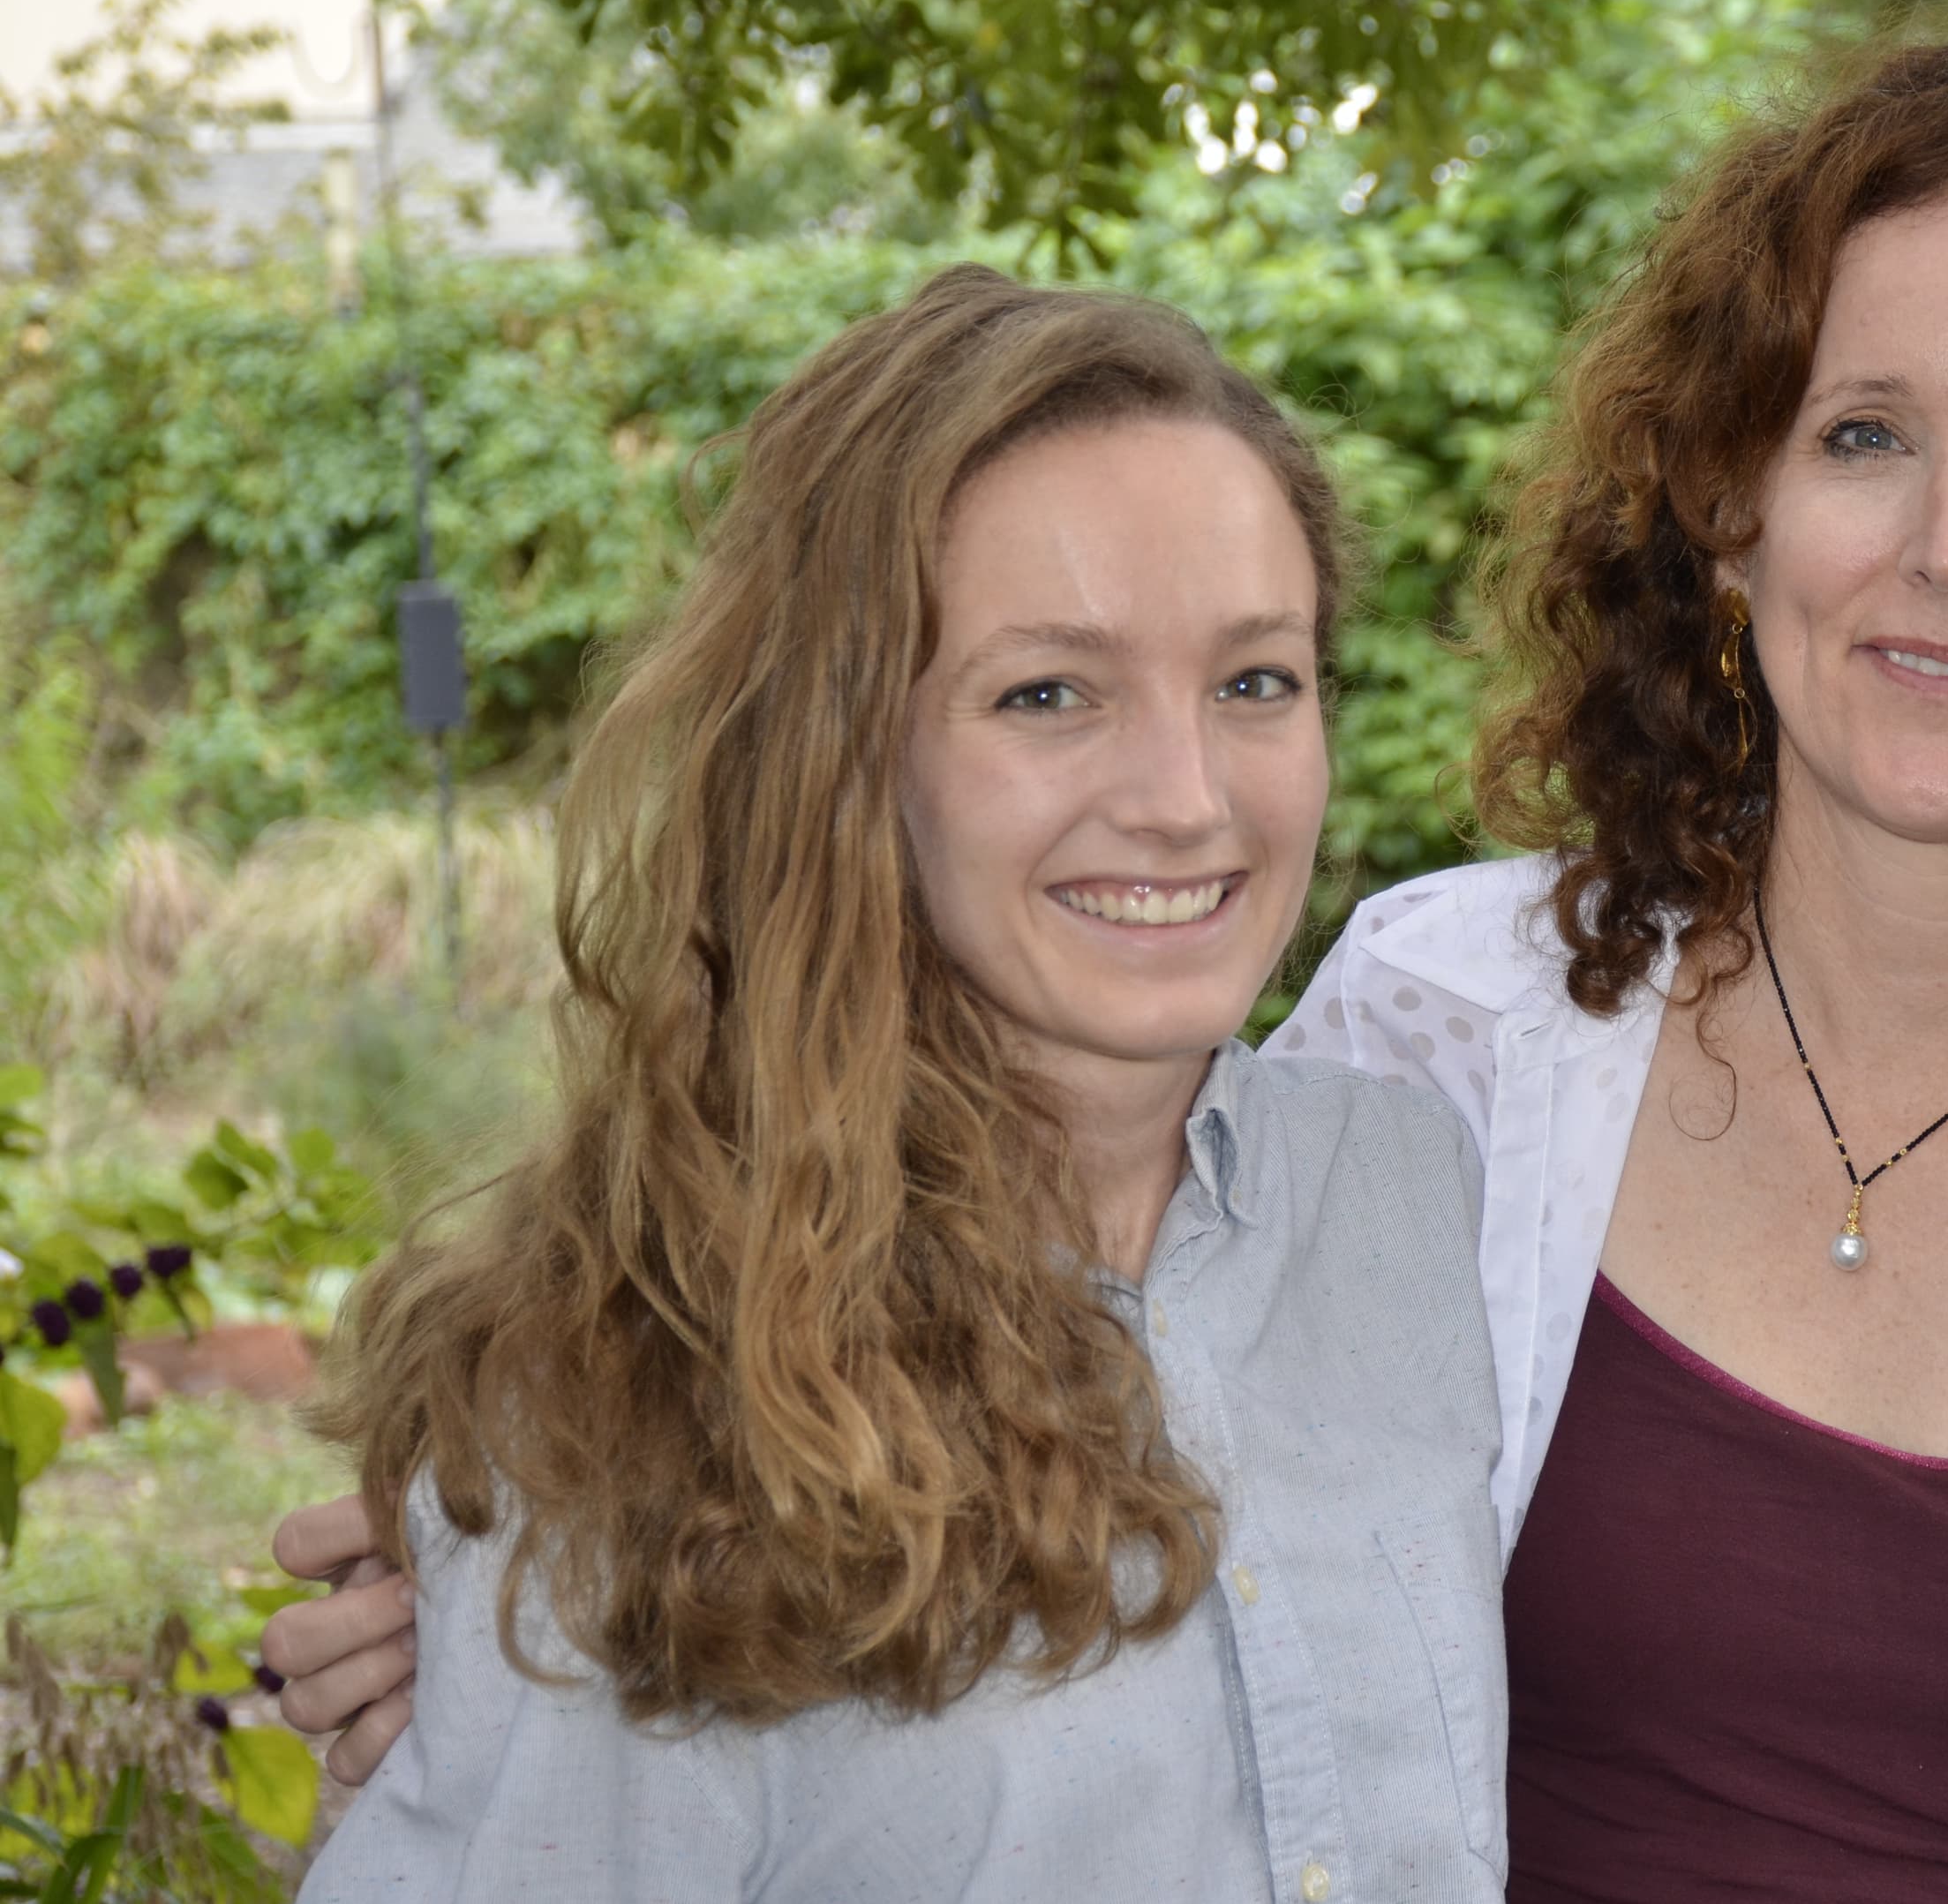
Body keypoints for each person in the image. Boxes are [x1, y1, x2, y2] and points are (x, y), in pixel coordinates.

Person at [274, 38, 1948, 1901]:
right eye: (1863, 434)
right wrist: (526, 1656)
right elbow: (1050, 1476)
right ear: (1726, 503)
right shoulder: (1447, 1041)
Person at [291, 267, 1508, 1903]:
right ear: (845, 754)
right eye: (1047, 694)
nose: (1185, 796)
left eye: (1254, 681)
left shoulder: (1411, 1192)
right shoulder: (613, 1391)